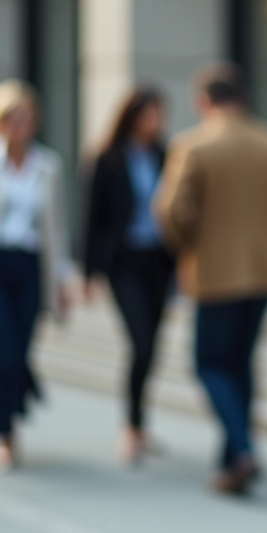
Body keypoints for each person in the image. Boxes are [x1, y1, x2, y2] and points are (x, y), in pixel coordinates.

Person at [154, 64, 267, 495]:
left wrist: (189, 248)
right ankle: (233, 454)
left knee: (209, 365)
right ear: (243, 97)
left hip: (214, 273)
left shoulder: (192, 146)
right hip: (262, 272)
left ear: (203, 101)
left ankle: (242, 450)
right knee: (241, 364)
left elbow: (171, 212)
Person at [0, 80, 75, 471]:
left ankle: (22, 389)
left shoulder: (48, 165)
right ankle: (4, 432)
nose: (18, 125)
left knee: (21, 349)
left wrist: (62, 277)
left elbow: (56, 226)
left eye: (25, 117)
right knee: (2, 352)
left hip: (31, 266)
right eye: (11, 117)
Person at [82, 87, 176, 464]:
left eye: (160, 114)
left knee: (153, 345)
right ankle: (132, 427)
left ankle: (141, 423)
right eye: (149, 114)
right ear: (132, 117)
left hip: (159, 261)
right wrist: (88, 272)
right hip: (123, 263)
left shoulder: (166, 155)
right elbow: (92, 217)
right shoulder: (108, 158)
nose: (156, 122)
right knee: (141, 344)